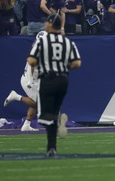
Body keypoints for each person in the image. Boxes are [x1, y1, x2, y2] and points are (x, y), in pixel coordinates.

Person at [27, 14, 82, 158]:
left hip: (47, 79)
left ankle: (56, 124)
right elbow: (77, 63)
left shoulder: (42, 41)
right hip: (63, 80)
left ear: (51, 24)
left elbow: (31, 61)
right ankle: (51, 148)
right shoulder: (67, 42)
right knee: (54, 112)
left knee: (43, 116)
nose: (45, 24)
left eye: (46, 22)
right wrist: (63, 66)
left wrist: (42, 63)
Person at [4, 31, 47, 132]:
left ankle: (26, 125)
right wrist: (31, 81)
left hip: (33, 78)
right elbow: (33, 65)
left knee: (36, 103)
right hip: (30, 80)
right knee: (37, 104)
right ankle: (15, 96)